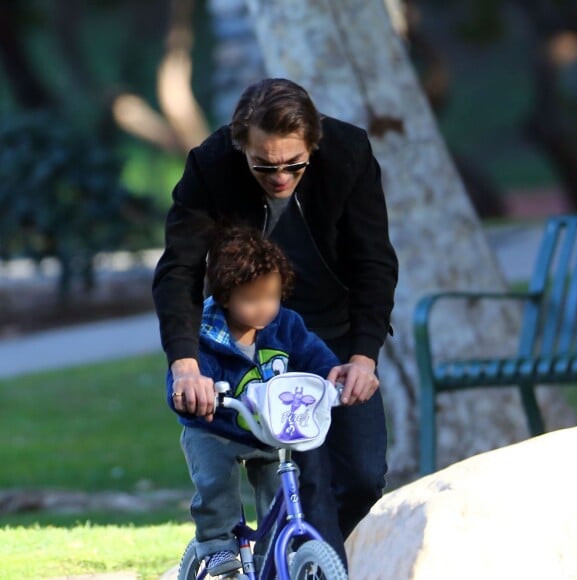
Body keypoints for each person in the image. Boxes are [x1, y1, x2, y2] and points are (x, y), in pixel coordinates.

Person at [153, 78, 398, 568]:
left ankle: (297, 559)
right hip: (254, 338)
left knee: (362, 477)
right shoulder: (210, 164)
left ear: (314, 143)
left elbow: (374, 262)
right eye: (264, 165)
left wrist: (363, 356)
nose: (281, 177)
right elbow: (179, 269)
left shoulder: (348, 153)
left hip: (333, 333)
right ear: (240, 144)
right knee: (307, 481)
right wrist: (185, 363)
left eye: (294, 164)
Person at [170, 225, 346, 576]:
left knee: (277, 491)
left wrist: (333, 376)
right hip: (215, 428)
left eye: (272, 296)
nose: (264, 308)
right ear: (225, 296)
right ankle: (216, 547)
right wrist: (194, 396)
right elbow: (185, 378)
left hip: (267, 429)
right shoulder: (204, 334)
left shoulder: (285, 325)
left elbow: (314, 355)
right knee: (216, 484)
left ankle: (271, 560)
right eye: (251, 299)